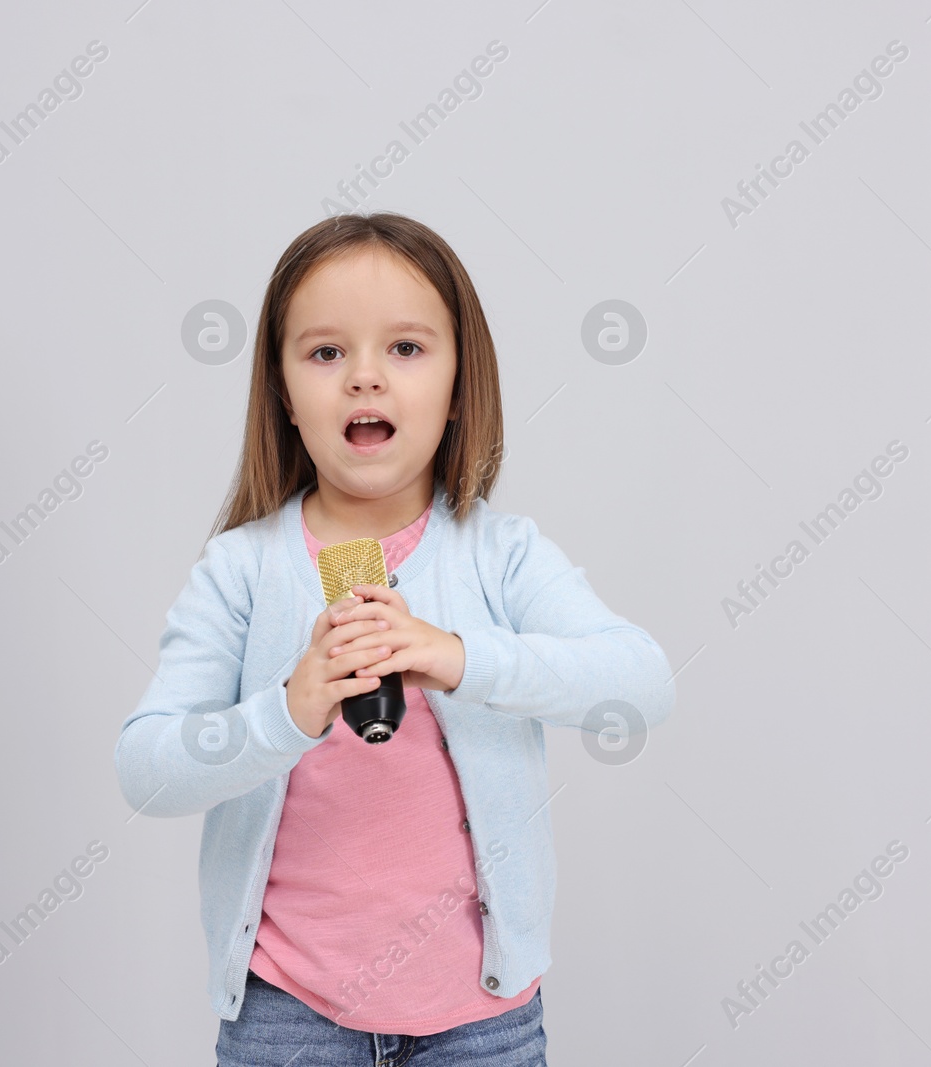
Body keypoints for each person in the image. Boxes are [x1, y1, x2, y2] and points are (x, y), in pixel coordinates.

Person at [114, 211, 675, 1065]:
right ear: (282, 393)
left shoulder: (500, 553)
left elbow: (640, 684)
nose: (365, 378)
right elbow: (148, 772)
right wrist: (288, 711)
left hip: (480, 1021)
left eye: (406, 349)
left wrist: (455, 654)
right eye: (326, 352)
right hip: (287, 1017)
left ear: (459, 388)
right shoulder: (241, 570)